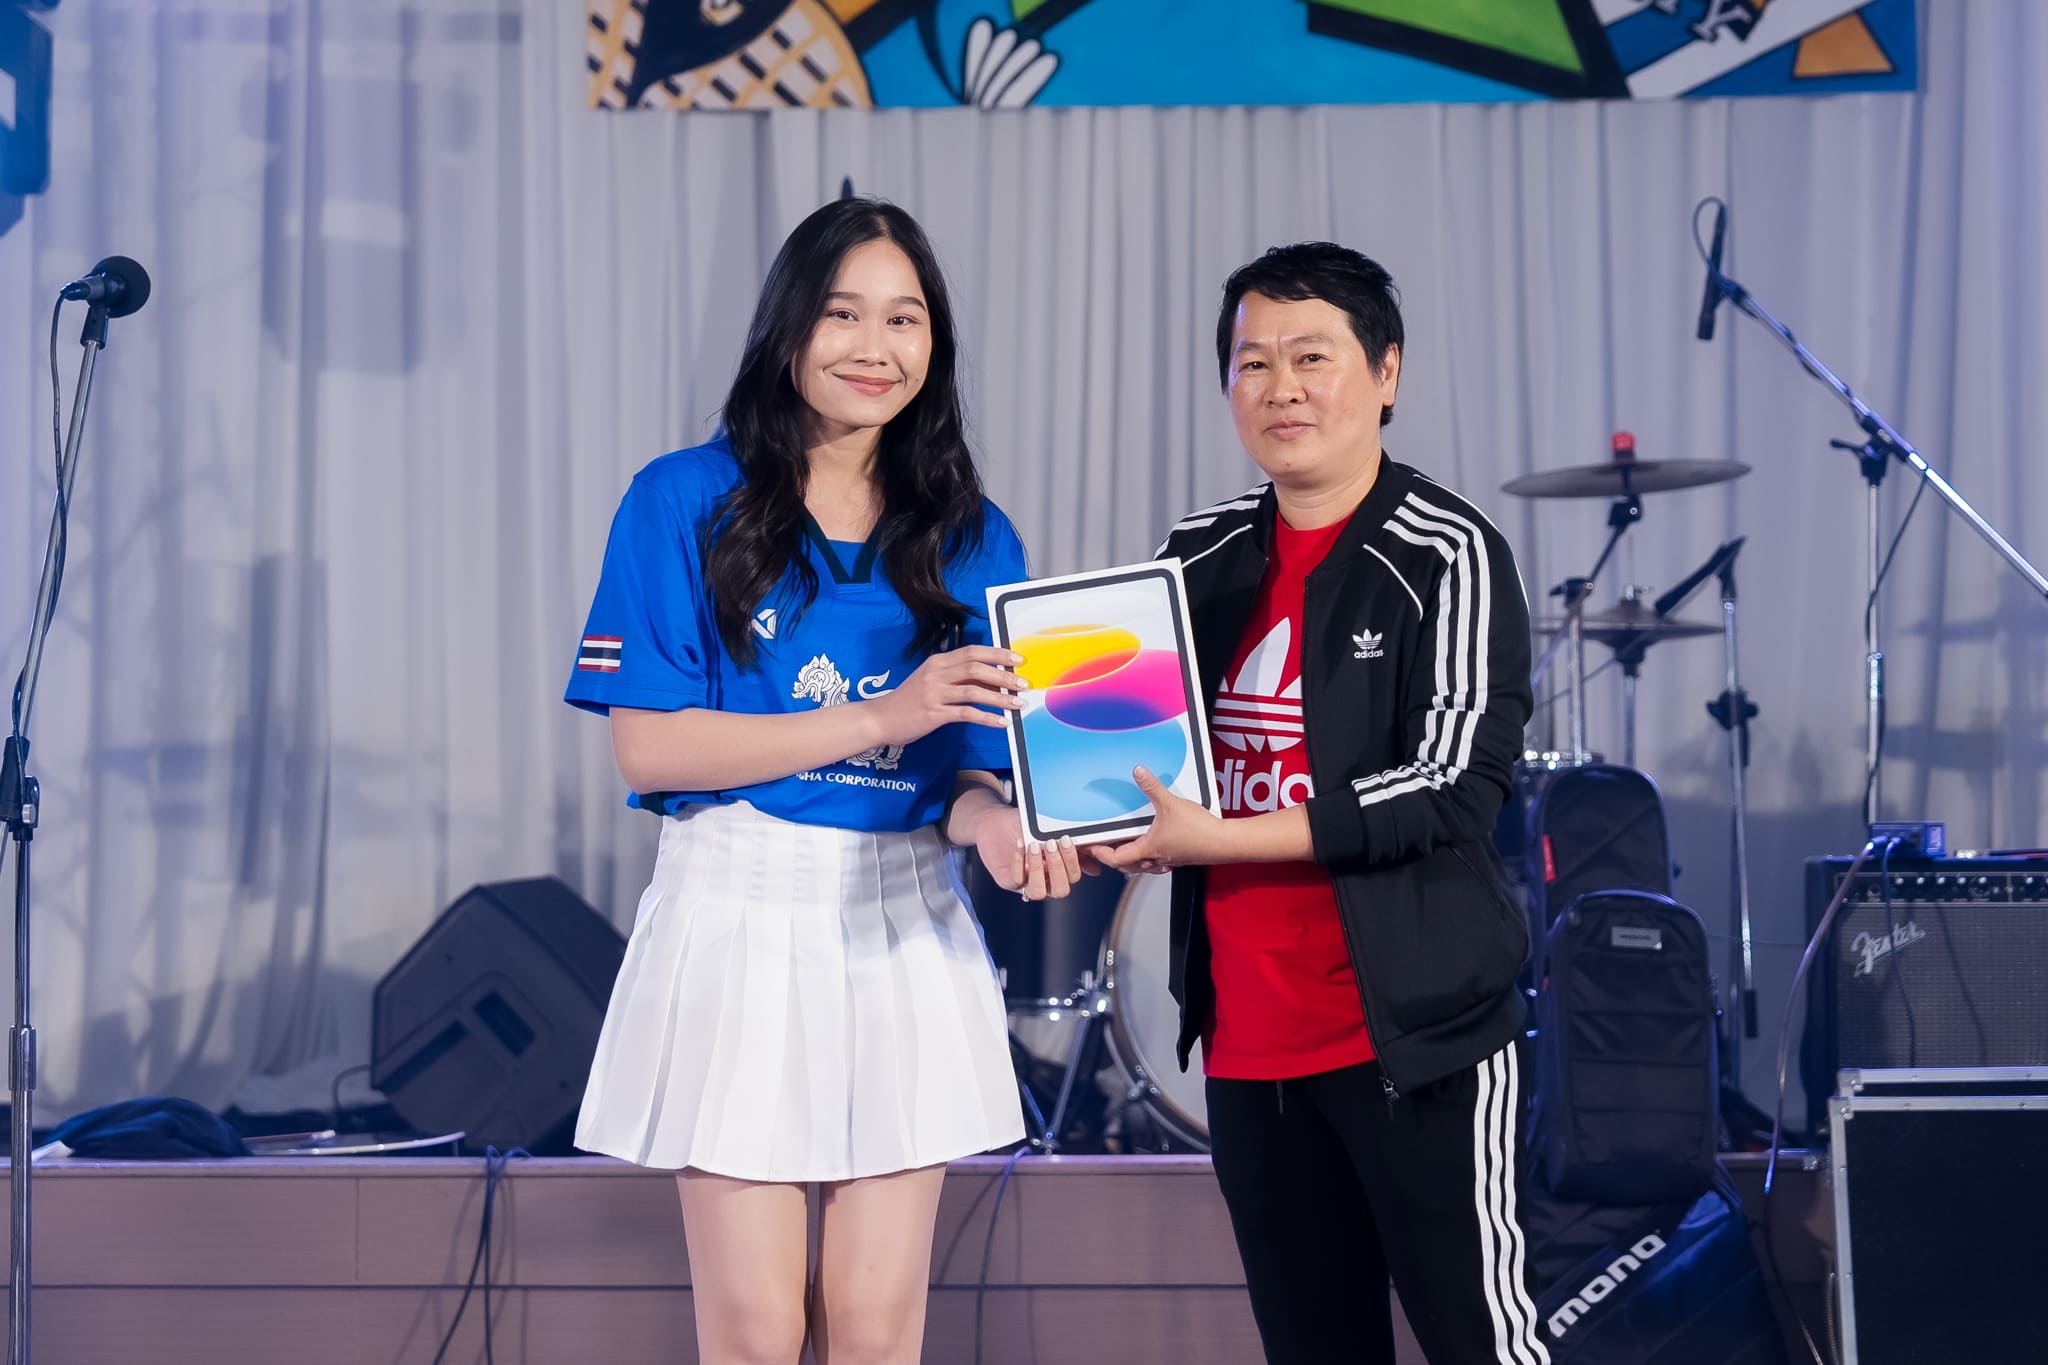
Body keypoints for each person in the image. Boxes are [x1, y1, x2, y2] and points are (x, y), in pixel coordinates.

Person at [564, 197, 1083, 1365]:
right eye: (844, 314)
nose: (873, 346)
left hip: (905, 923)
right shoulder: (679, 499)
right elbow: (651, 749)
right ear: (788, 328)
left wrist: (1000, 829)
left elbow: (967, 775)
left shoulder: (973, 533)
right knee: (755, 1332)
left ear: (933, 344)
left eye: (904, 319)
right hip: (738, 908)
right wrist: (885, 713)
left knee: (874, 1328)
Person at [1098, 242, 1548, 1364]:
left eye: (1312, 358)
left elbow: (1453, 785)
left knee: (1483, 1343)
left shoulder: (1449, 551)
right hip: (1249, 1044)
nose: (1280, 389)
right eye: (1252, 363)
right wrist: (1096, 815)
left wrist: (1220, 836)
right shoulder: (1195, 553)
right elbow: (1140, 751)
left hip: (1416, 1038)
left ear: (1385, 373)